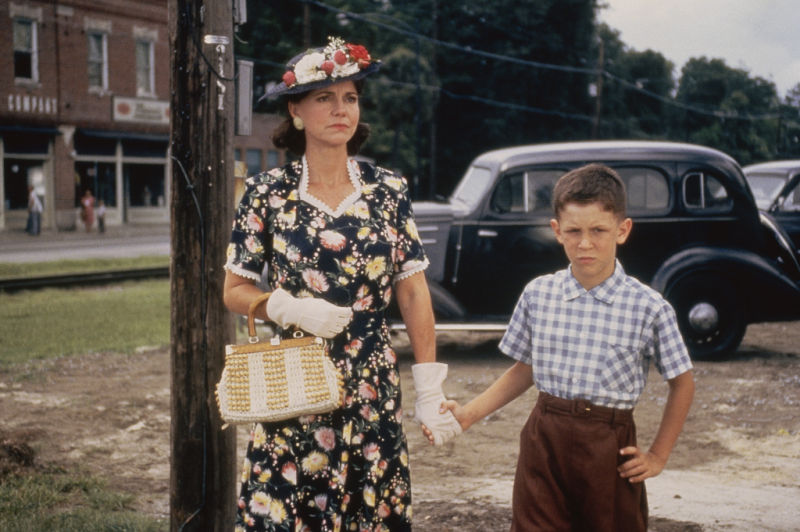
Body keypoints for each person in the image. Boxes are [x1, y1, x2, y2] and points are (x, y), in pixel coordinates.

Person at [222, 36, 462, 531]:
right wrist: (289, 308)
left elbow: (413, 291)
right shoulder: (267, 194)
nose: (341, 110)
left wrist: (428, 387)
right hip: (296, 380)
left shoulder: (388, 190)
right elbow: (234, 290)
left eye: (350, 98)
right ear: (295, 111)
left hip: (372, 381)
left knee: (369, 509)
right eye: (324, 98)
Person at [428, 164, 695, 531]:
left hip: (608, 446)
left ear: (622, 230)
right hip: (544, 440)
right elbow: (525, 370)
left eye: (598, 230)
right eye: (573, 231)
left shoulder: (649, 307)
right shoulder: (538, 294)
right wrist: (468, 414)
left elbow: (683, 382)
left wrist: (658, 455)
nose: (585, 244)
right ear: (557, 231)